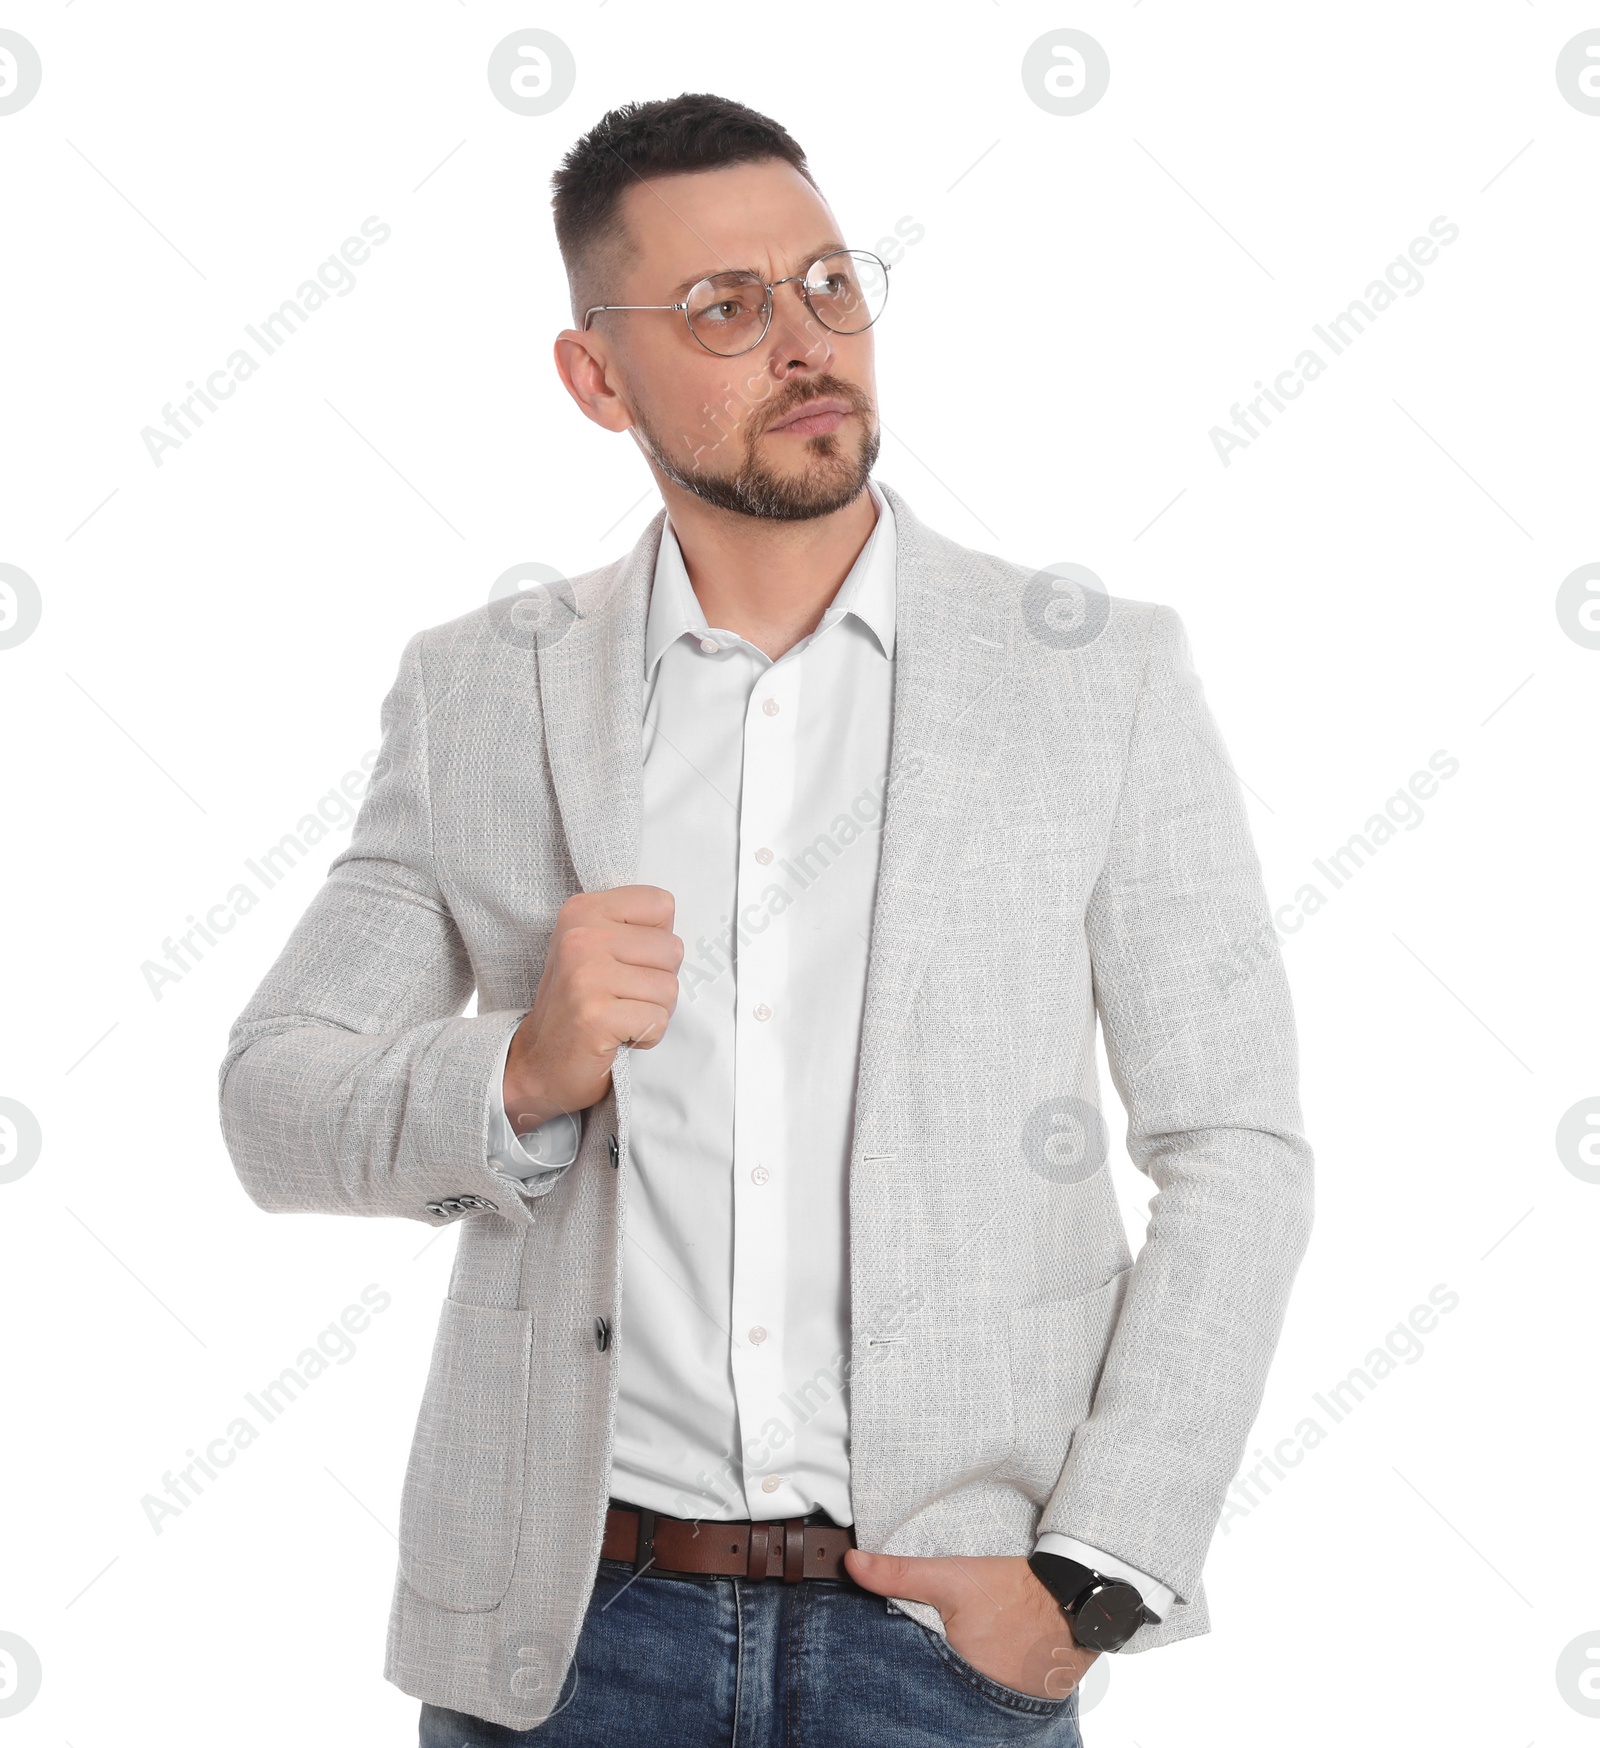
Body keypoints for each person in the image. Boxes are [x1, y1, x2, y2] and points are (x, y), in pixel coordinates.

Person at [219, 92, 1314, 1747]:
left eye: (829, 285)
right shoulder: (482, 695)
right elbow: (274, 1102)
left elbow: (1234, 1144)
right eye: (727, 308)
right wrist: (519, 1069)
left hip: (945, 1644)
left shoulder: (1094, 680)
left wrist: (1092, 1579)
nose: (806, 343)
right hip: (567, 1642)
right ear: (600, 376)